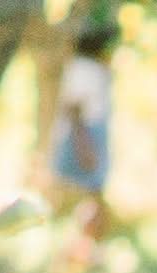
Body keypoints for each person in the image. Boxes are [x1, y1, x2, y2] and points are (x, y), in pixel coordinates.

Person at [48, 19, 117, 260]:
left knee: (89, 200)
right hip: (82, 138)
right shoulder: (84, 69)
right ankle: (72, 252)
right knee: (83, 199)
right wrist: (84, 147)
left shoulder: (90, 68)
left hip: (88, 135)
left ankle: (83, 252)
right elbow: (74, 109)